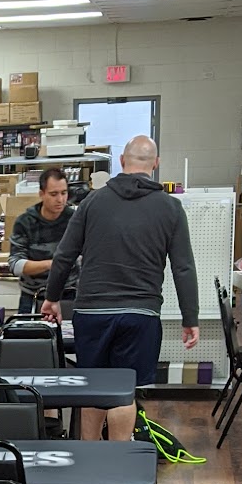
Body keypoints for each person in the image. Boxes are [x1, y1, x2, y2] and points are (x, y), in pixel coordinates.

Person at [40, 135, 199, 441]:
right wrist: (189, 318)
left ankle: (89, 458)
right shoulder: (170, 207)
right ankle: (118, 460)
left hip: (92, 312)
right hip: (140, 314)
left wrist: (52, 297)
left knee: (93, 387)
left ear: (123, 161)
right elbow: (183, 267)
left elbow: (64, 255)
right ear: (156, 164)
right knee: (124, 391)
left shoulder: (92, 202)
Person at [8, 166, 76, 315]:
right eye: (53, 194)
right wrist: (53, 264)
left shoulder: (75, 220)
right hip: (33, 295)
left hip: (69, 294)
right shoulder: (25, 222)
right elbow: (15, 265)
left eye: (64, 193)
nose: (60, 199)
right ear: (41, 194)